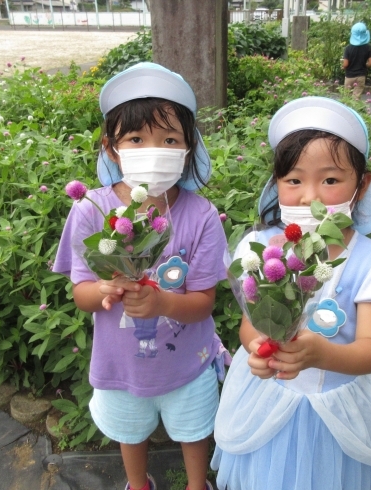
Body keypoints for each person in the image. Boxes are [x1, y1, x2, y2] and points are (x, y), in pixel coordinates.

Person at [210, 96, 371, 490]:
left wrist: (323, 354)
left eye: (331, 180)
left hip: (339, 412)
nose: (310, 197)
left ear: (362, 184)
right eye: (294, 180)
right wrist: (258, 349)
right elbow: (250, 327)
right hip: (272, 402)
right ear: (277, 184)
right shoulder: (262, 251)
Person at [54, 62, 228, 490]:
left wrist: (163, 302)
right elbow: (81, 293)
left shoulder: (201, 215)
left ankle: (195, 484)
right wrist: (105, 289)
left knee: (193, 430)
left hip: (188, 362)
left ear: (188, 147)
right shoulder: (89, 211)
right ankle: (138, 483)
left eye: (170, 139)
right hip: (120, 365)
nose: (155, 149)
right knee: (129, 432)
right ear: (112, 148)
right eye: (136, 138)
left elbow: (204, 301)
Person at [343, 22, 371, 100]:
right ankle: (355, 111)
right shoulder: (368, 48)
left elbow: (346, 64)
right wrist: (364, 65)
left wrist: (343, 66)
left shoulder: (348, 48)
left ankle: (347, 111)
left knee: (347, 97)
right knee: (356, 98)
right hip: (361, 76)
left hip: (349, 76)